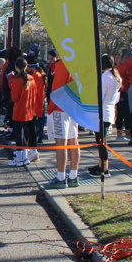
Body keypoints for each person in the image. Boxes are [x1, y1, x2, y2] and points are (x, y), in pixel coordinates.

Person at [44, 57, 81, 188]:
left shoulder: (63, 64)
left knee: (61, 143)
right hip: (74, 107)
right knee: (73, 142)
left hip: (60, 108)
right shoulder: (78, 62)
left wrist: (50, 108)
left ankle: (61, 178)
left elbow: (57, 88)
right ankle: (73, 176)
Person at [89, 54, 122, 176]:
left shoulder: (105, 77)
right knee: (101, 141)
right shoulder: (115, 77)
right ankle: (101, 164)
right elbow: (116, 98)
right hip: (109, 111)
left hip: (103, 112)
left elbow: (100, 96)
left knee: (101, 142)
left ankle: (105, 168)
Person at [7, 57, 35, 168]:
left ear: (16, 67)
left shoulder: (17, 80)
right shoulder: (31, 78)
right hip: (29, 110)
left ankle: (20, 158)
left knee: (19, 135)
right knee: (23, 134)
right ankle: (24, 157)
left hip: (19, 110)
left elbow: (14, 97)